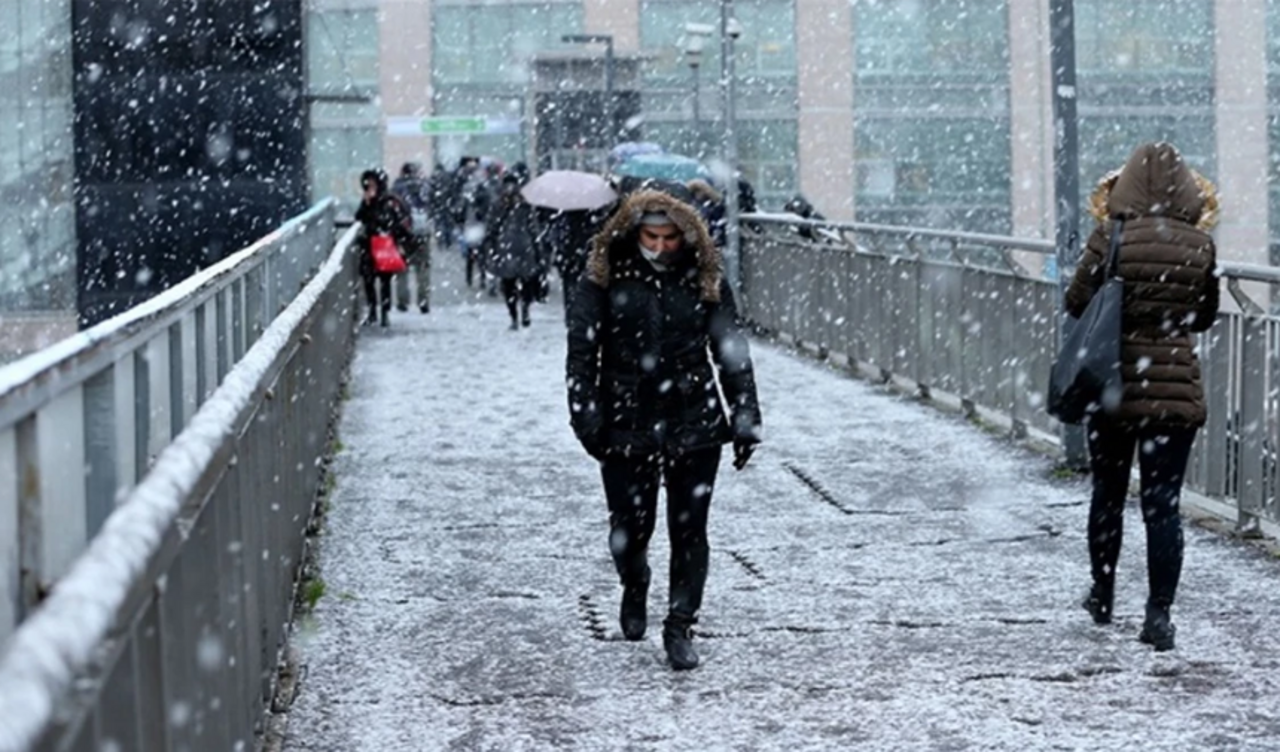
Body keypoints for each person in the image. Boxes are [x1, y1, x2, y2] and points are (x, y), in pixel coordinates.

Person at [565, 189, 763, 670]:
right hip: (624, 420)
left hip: (693, 418)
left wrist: (744, 417)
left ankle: (680, 624)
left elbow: (729, 348)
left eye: (670, 237)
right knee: (630, 530)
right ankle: (635, 581)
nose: (660, 246)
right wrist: (588, 421)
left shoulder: (704, 275)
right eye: (651, 236)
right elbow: (581, 355)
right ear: (634, 233)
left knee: (690, 529)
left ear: (685, 235)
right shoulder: (604, 277)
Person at [1065, 142, 1219, 652]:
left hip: (1111, 386)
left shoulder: (1111, 236)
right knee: (1163, 506)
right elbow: (1202, 317)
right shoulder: (1200, 245)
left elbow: (1076, 302)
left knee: (1108, 495)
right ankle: (1159, 616)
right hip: (1173, 393)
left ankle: (1103, 595)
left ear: (1124, 184)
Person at [354, 168, 423, 327]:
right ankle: (373, 311)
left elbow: (391, 221)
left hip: (385, 245)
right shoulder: (367, 201)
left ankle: (384, 312)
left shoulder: (389, 201)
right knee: (369, 280)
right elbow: (359, 217)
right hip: (369, 245)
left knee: (385, 281)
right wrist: (366, 203)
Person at [483, 171, 546, 330]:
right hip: (525, 247)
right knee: (526, 282)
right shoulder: (525, 204)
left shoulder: (498, 204)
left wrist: (490, 248)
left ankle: (514, 316)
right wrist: (539, 252)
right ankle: (525, 308)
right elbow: (534, 229)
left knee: (508, 285)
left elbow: (491, 229)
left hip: (506, 248)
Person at [391, 162, 431, 314]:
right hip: (422, 231)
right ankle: (423, 300)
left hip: (403, 233)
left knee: (402, 268)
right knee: (423, 268)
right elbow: (433, 205)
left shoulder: (397, 188)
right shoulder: (424, 186)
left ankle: (402, 300)